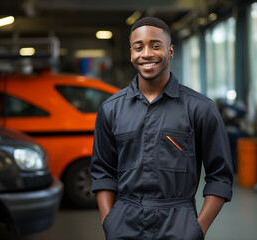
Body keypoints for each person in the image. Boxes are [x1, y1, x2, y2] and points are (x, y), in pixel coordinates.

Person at [91, 16, 233, 240]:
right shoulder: (110, 109)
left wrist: (198, 229)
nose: (146, 53)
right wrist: (109, 222)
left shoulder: (200, 108)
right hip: (124, 225)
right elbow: (103, 173)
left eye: (155, 46)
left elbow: (220, 177)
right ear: (131, 53)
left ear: (171, 51)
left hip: (179, 226)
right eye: (138, 47)